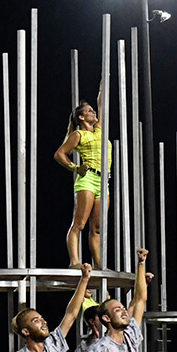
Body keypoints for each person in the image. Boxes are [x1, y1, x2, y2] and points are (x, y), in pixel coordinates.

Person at [53, 98, 108, 268]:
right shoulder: (78, 135)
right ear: (81, 117)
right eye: (89, 111)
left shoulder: (99, 131)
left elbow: (101, 103)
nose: (94, 113)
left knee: (97, 228)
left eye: (93, 110)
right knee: (79, 223)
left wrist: (103, 81)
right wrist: (75, 168)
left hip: (103, 180)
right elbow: (60, 154)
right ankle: (74, 261)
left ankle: (99, 265)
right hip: (88, 179)